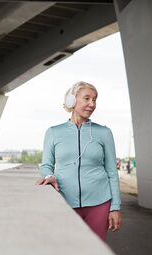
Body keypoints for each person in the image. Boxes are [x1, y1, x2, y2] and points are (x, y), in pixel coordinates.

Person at [36, 81, 122, 241]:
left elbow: (112, 172)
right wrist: (49, 176)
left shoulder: (104, 133)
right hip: (65, 203)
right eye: (87, 98)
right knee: (66, 250)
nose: (92, 104)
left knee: (95, 252)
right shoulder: (54, 132)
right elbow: (47, 165)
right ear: (72, 100)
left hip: (99, 203)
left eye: (94, 100)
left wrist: (115, 207)